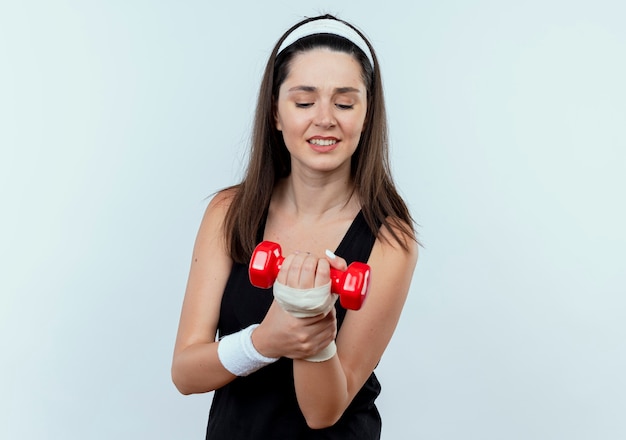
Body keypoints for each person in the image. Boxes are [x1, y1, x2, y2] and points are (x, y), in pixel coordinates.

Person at [171, 14, 419, 439]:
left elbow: (323, 411)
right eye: (304, 102)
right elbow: (186, 374)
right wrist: (264, 341)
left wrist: (313, 322)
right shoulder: (230, 211)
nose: (324, 119)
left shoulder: (390, 239)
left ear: (366, 115)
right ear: (276, 114)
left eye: (344, 103)